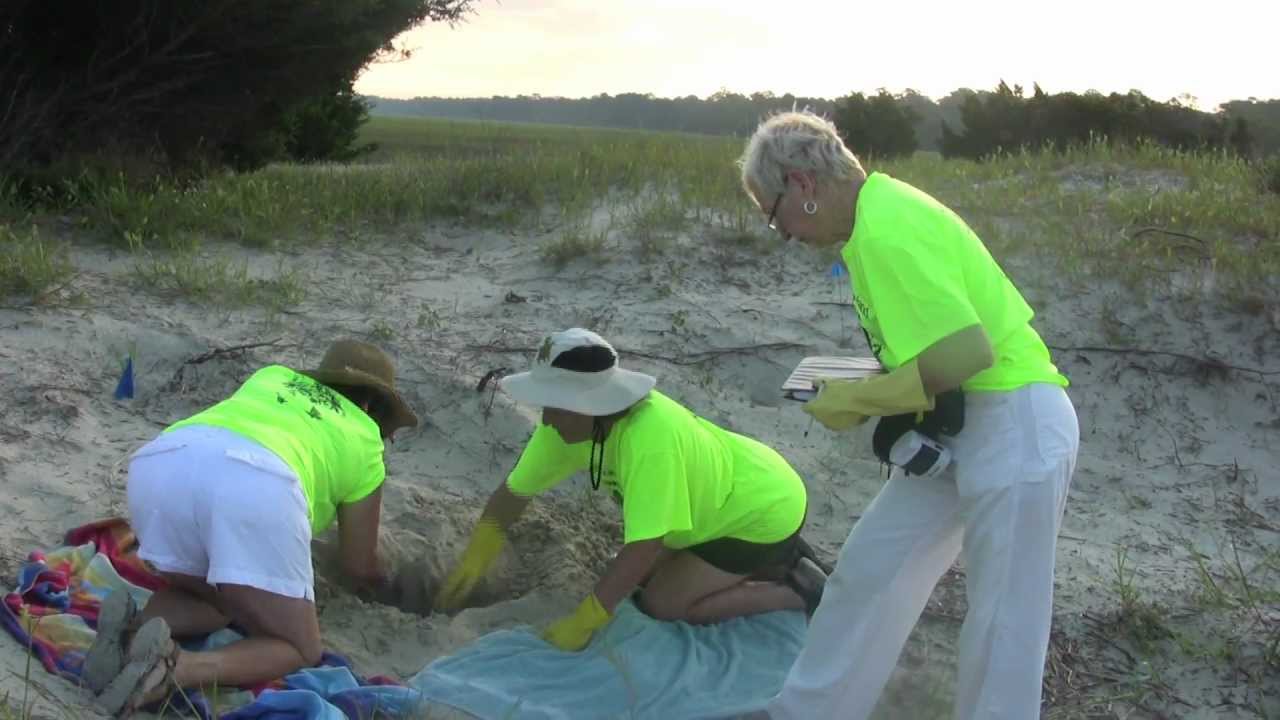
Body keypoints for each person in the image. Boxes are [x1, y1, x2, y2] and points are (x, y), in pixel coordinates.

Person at [736, 110, 1080, 719]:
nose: (782, 233)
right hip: (958, 426)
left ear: (803, 184)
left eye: (773, 213)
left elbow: (970, 351)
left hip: (1016, 424)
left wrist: (860, 401)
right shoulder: (874, 221)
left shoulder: (887, 229)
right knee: (870, 573)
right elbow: (930, 349)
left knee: (1005, 623)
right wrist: (856, 381)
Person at [83, 340, 418, 716]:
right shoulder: (364, 435)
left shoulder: (271, 377)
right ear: (372, 405)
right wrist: (390, 583)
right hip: (256, 484)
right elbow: (359, 563)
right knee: (299, 647)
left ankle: (132, 633)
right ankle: (174, 668)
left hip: (161, 464)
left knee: (220, 597)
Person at [436, 328, 825, 652]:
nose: (547, 419)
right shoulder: (565, 427)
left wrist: (586, 619)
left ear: (589, 404)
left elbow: (643, 546)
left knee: (663, 603)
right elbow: (512, 494)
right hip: (709, 503)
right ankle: (768, 563)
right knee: (633, 581)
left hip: (760, 510)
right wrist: (479, 552)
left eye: (554, 405)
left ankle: (795, 589)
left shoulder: (649, 439)